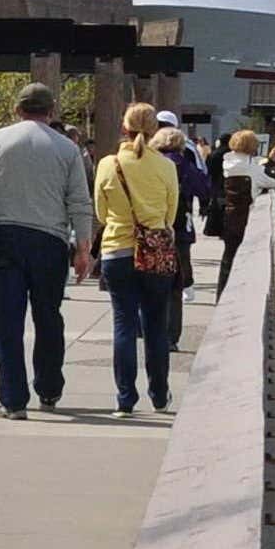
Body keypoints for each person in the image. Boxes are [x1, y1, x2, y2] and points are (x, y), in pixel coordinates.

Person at [0, 82, 92, 421]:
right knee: (48, 317)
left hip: (5, 237)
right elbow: (79, 201)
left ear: (17, 109)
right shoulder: (67, 148)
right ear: (51, 111)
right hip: (50, 240)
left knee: (7, 320)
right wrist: (84, 249)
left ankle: (13, 399)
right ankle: (49, 388)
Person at [93, 103, 188, 415]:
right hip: (155, 250)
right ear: (154, 130)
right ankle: (159, 395)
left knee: (124, 324)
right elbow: (170, 215)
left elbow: (100, 213)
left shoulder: (108, 164)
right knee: (156, 325)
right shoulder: (166, 166)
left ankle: (125, 399)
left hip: (117, 250)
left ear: (124, 127)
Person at [212, 130, 275, 288]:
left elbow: (255, 168)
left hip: (226, 216)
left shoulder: (227, 161)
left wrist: (269, 160)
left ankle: (221, 293)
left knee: (228, 258)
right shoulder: (252, 169)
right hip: (244, 220)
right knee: (239, 261)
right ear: (252, 147)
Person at [154, 110, 214, 288]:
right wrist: (204, 202)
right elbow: (202, 180)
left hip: (153, 212)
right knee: (181, 250)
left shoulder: (149, 150)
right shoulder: (185, 153)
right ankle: (184, 283)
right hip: (181, 210)